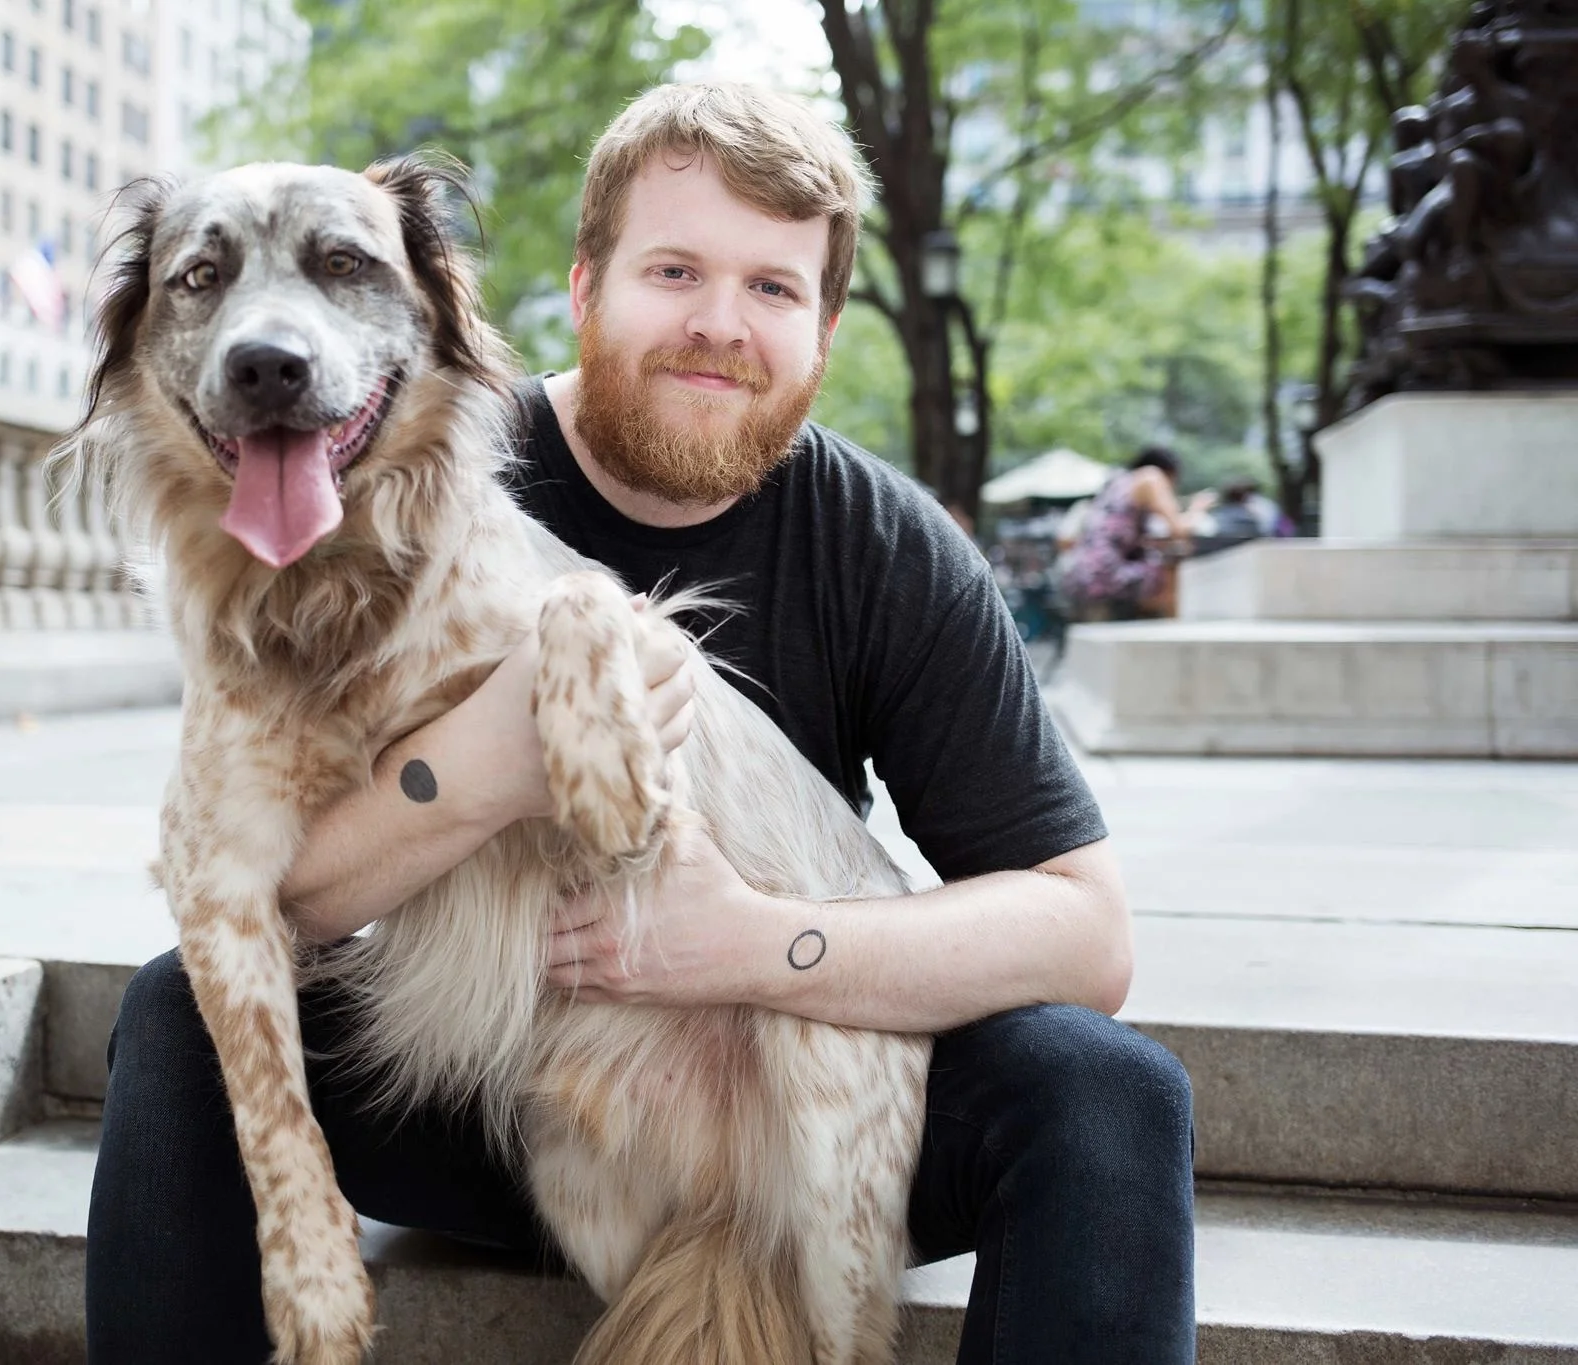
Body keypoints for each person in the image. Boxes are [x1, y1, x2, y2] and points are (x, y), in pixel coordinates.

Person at [87, 82, 1194, 1365]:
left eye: (773, 290)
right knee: (175, 1017)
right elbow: (249, 895)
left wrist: (740, 946)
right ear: (582, 286)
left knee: (1107, 1092)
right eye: (674, 270)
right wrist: (481, 770)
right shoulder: (366, 456)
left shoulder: (886, 548)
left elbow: (1084, 933)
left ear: (823, 331)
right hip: (476, 1091)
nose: (719, 326)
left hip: (769, 1112)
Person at [1056, 445, 1207, 620]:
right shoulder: (1151, 477)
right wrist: (1198, 508)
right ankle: (1171, 632)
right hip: (1102, 575)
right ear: (1170, 472)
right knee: (1168, 567)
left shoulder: (1120, 482)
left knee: (1157, 561)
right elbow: (1179, 529)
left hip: (1080, 573)